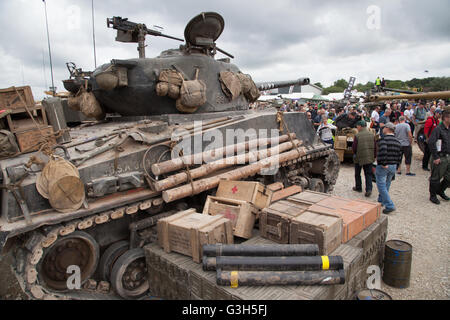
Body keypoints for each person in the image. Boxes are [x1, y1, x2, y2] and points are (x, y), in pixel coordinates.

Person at [375, 122, 402, 214]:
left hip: (384, 165)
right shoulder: (397, 141)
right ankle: (381, 200)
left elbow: (382, 151)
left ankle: (389, 205)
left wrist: (383, 163)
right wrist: (396, 165)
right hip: (393, 165)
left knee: (381, 185)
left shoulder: (384, 140)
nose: (383, 129)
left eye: (384, 127)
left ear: (387, 129)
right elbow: (399, 155)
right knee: (387, 184)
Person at [427, 110, 450, 204]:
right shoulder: (438, 129)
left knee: (449, 177)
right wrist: (436, 157)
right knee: (435, 178)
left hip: (448, 156)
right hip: (440, 157)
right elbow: (431, 142)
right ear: (446, 118)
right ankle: (433, 195)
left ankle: (440, 190)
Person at [352, 120, 377, 197]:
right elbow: (375, 147)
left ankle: (358, 187)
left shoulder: (357, 135)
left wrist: (354, 154)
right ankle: (369, 189)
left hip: (359, 157)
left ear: (360, 126)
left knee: (357, 173)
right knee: (368, 174)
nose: (357, 127)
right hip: (369, 157)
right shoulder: (372, 134)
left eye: (357, 126)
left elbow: (354, 147)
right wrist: (374, 156)